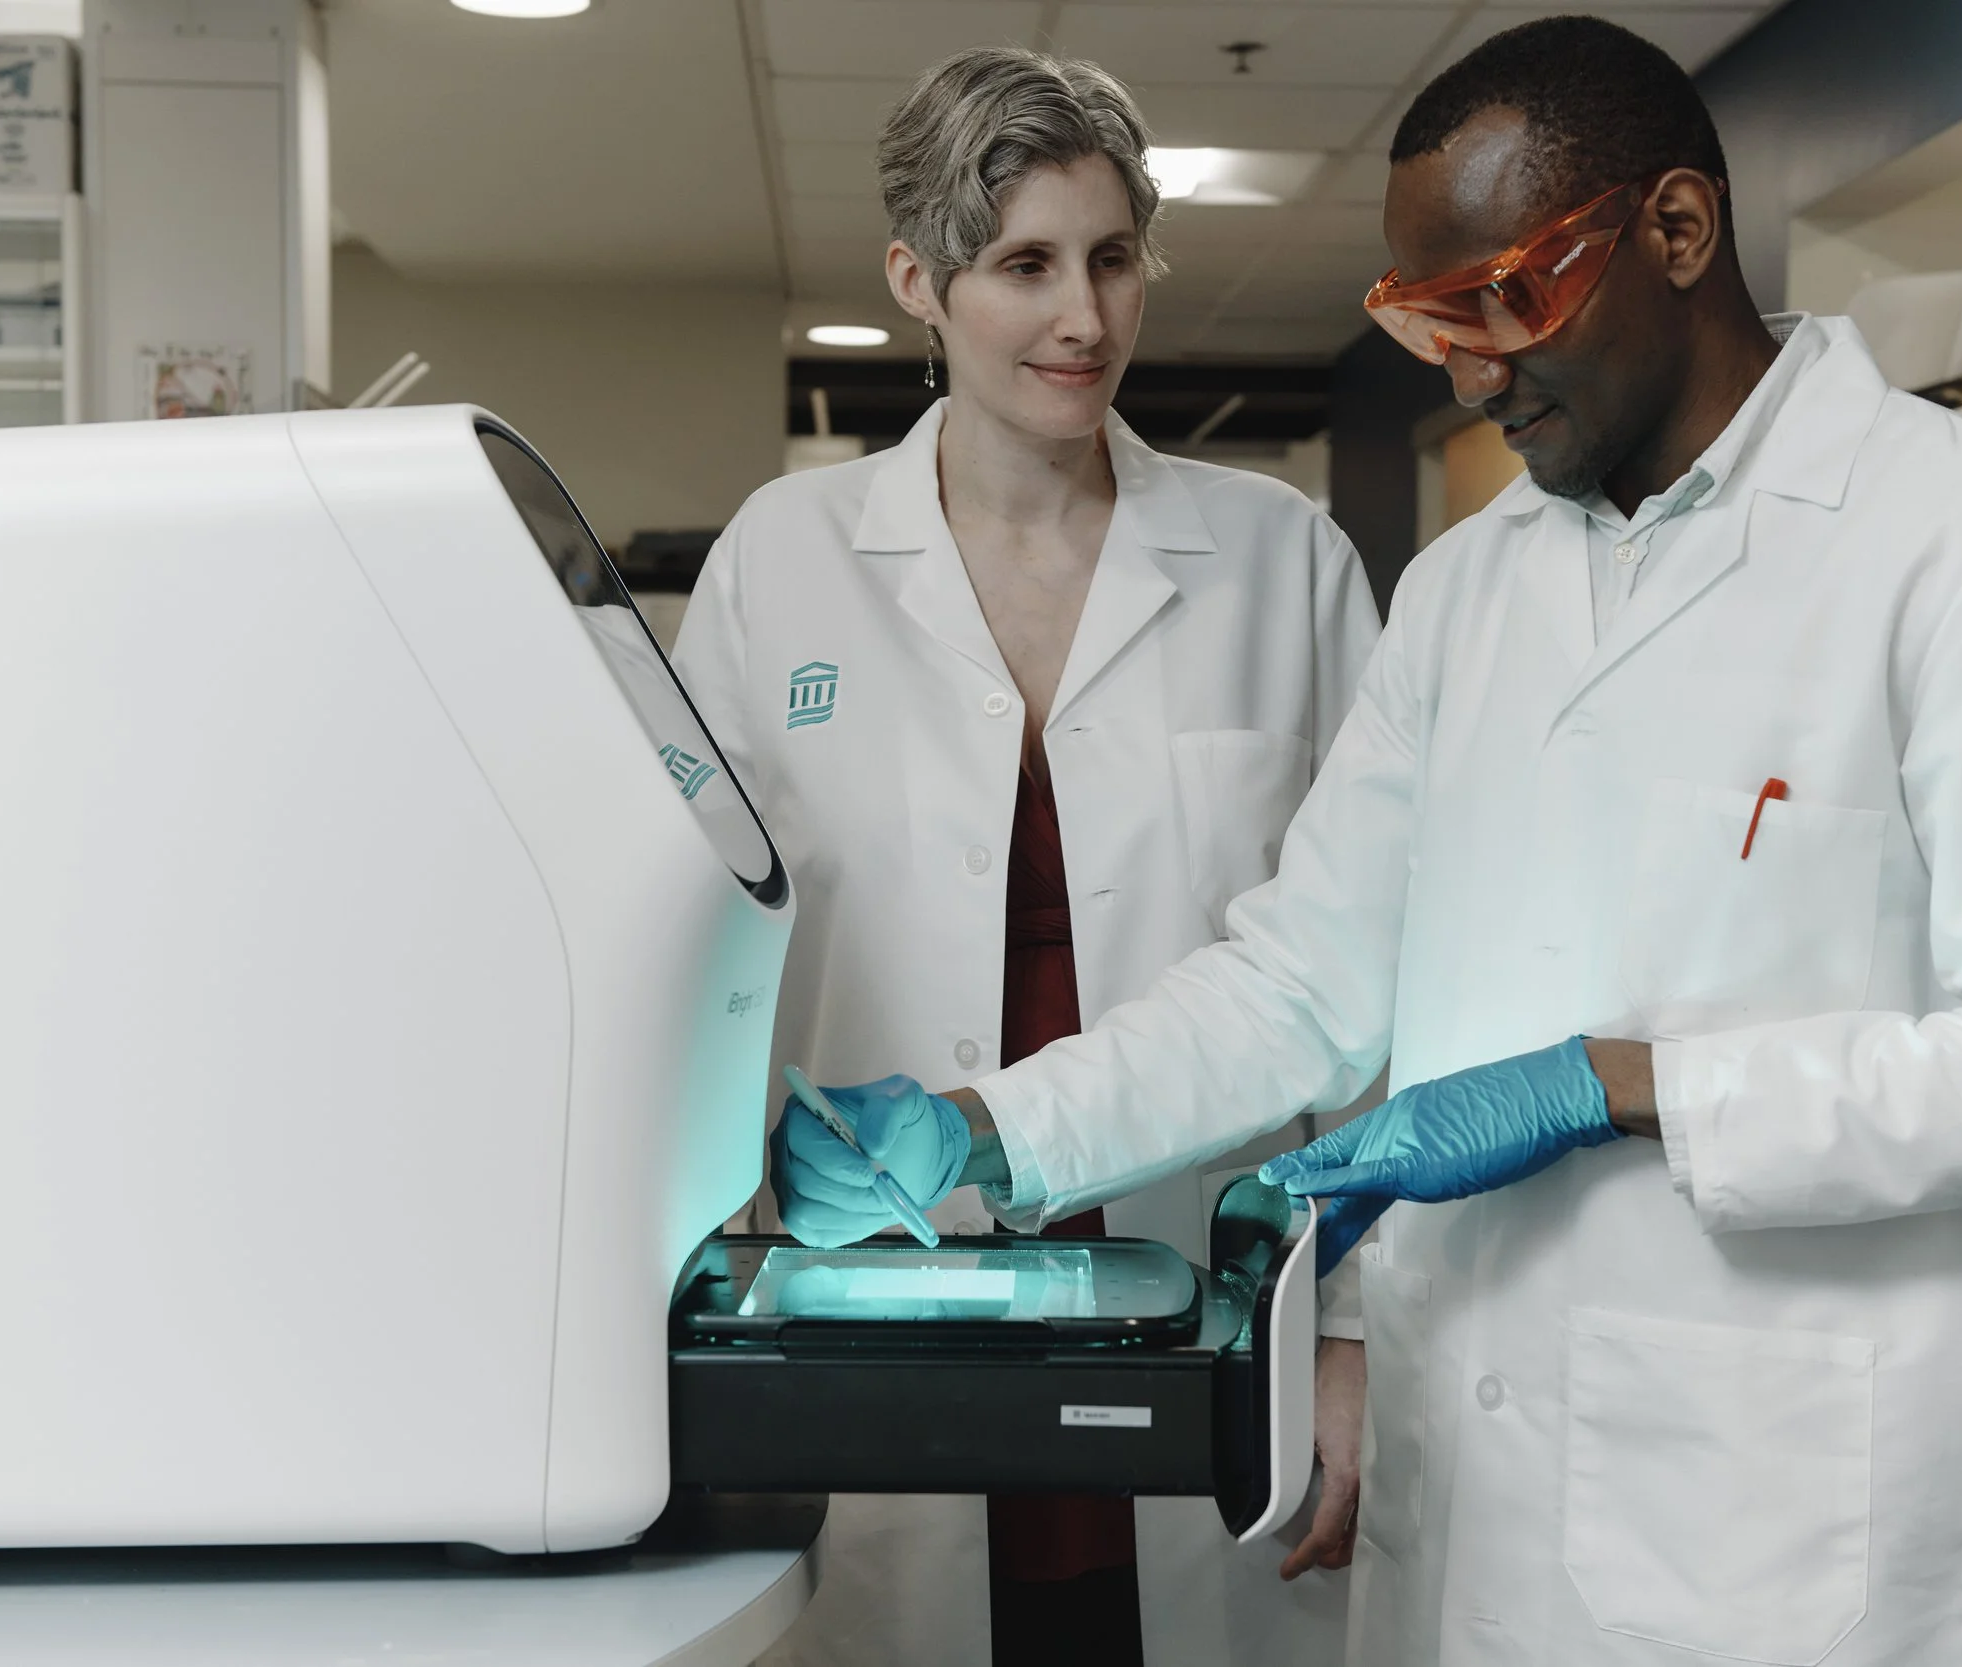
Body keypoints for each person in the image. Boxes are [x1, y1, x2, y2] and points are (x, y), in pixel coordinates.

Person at [769, 16, 1962, 1665]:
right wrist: (993, 1134)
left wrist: (1629, 1082)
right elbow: (1297, 984)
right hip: (1481, 1516)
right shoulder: (1469, 588)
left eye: (1496, 300)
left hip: (1795, 1532)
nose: (1461, 369)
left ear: (1674, 232)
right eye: (1420, 318)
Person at [671, 45, 1378, 1667]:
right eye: (1027, 266)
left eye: (1115, 258)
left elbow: (1368, 981)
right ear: (920, 279)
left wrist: (1346, 1331)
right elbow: (702, 953)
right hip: (878, 1291)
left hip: (1208, 1277)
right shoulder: (784, 565)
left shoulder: (1285, 562)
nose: (1086, 319)